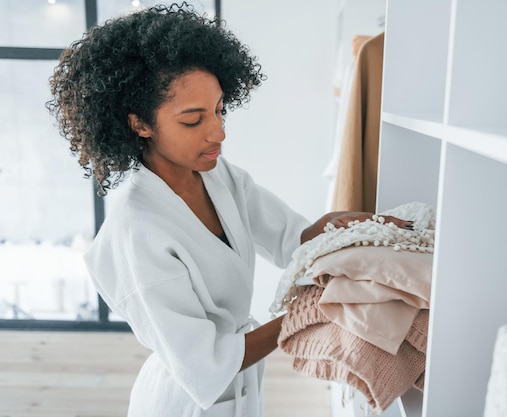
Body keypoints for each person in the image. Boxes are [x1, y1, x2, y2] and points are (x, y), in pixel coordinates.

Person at [47, 3, 412, 416]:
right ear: (139, 124)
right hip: (182, 402)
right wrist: (303, 315)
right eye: (193, 120)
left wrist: (346, 228)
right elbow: (203, 363)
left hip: (241, 390)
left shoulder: (220, 177)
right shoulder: (139, 230)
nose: (218, 132)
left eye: (220, 110)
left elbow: (291, 237)